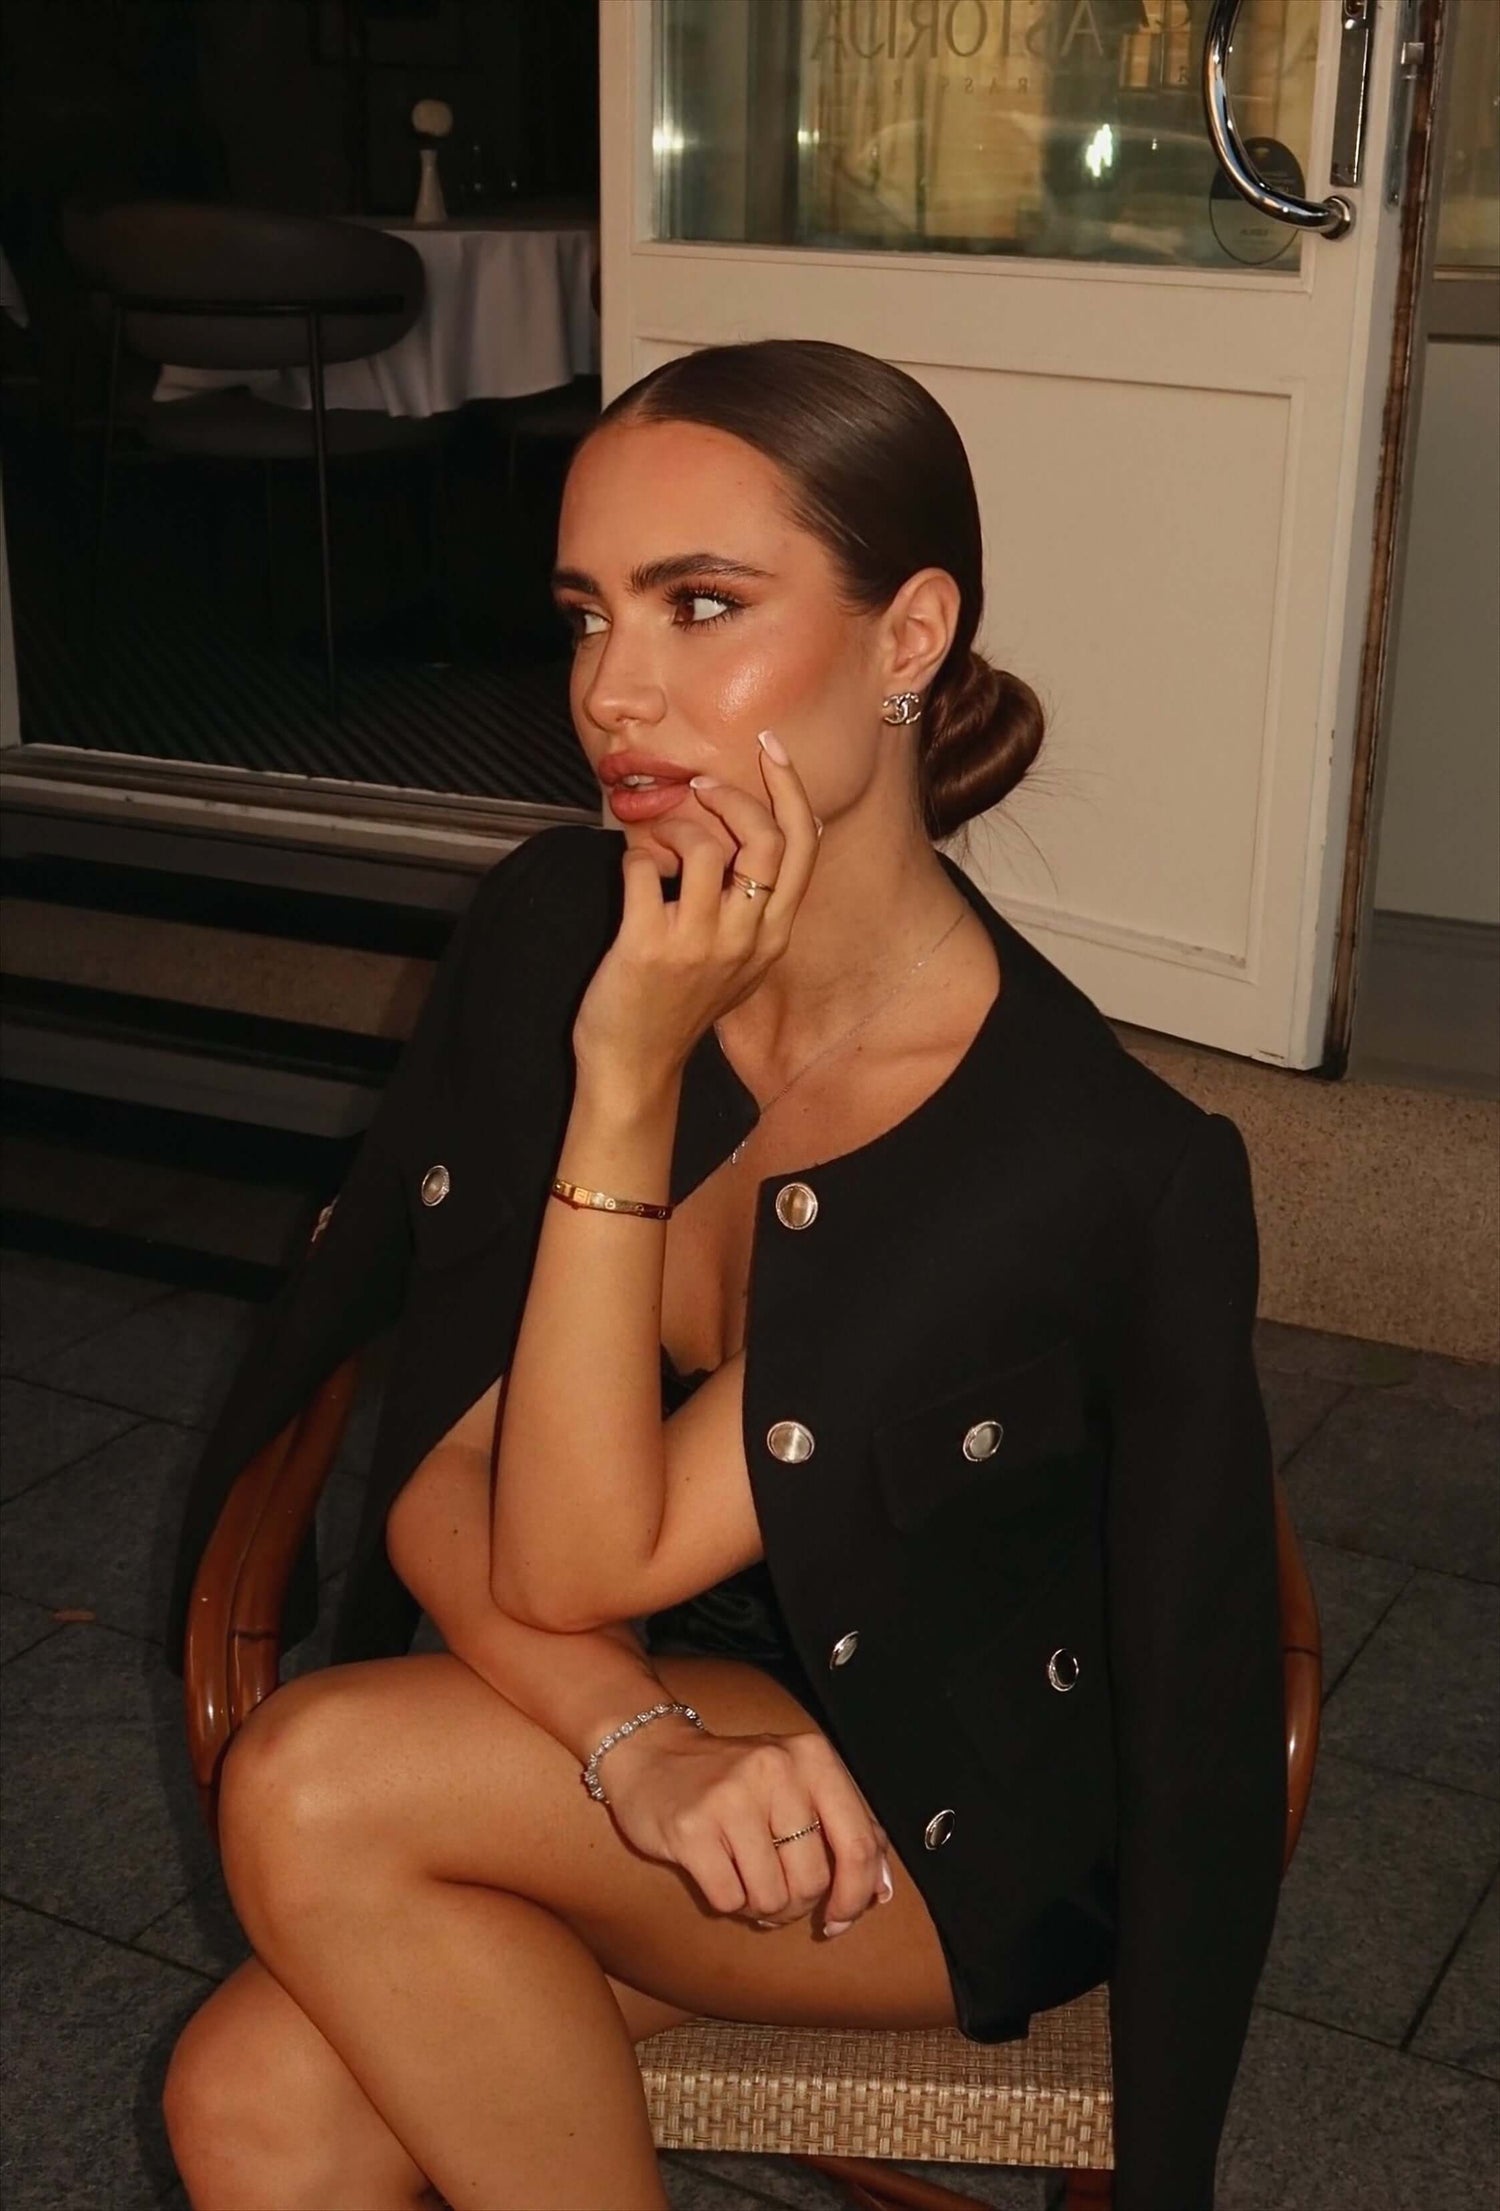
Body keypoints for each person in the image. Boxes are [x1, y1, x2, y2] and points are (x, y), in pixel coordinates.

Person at [160, 339, 1286, 2211]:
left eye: (704, 607)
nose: (617, 691)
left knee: (318, 1778)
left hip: (938, 1814)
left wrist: (625, 1090)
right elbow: (450, 1471)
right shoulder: (561, 927)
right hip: (643, 1717)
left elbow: (572, 1554)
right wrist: (637, 1746)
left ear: (908, 635)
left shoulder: (1061, 1156)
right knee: (254, 2102)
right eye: (589, 613)